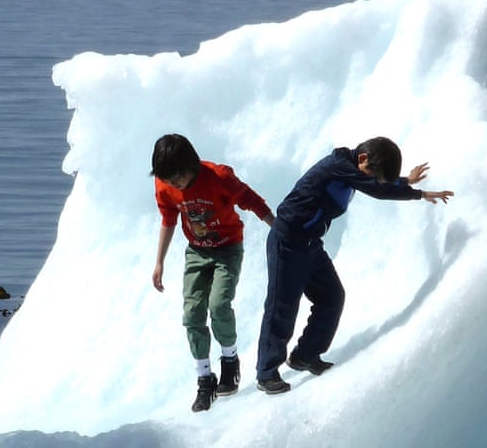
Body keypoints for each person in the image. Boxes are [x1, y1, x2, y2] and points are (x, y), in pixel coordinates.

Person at [254, 137, 452, 394]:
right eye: (374, 174)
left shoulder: (351, 170)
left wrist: (405, 181)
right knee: (282, 307)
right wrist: (418, 194)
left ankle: (305, 355)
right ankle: (266, 374)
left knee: (331, 297)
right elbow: (377, 189)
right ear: (362, 158)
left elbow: (375, 183)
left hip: (310, 244)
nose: (374, 180)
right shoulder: (337, 166)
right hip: (288, 242)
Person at [150, 133, 275, 412]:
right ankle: (205, 379)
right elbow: (169, 220)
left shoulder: (218, 177)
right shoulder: (164, 185)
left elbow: (251, 200)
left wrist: (276, 226)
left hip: (228, 248)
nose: (173, 184)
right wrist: (159, 262)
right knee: (192, 314)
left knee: (218, 305)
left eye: (177, 178)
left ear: (191, 166)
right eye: (168, 180)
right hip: (197, 252)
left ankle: (230, 361)